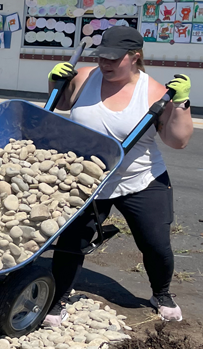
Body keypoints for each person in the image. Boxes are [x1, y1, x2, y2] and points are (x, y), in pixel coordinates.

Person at [44, 26, 193, 324]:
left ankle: (161, 293)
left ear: (135, 57)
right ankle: (58, 296)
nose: (105, 64)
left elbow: (178, 140)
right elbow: (60, 103)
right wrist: (54, 81)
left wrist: (181, 104)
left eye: (114, 59)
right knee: (72, 241)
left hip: (141, 179)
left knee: (155, 243)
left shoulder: (154, 92)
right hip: (90, 180)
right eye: (101, 57)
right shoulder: (86, 77)